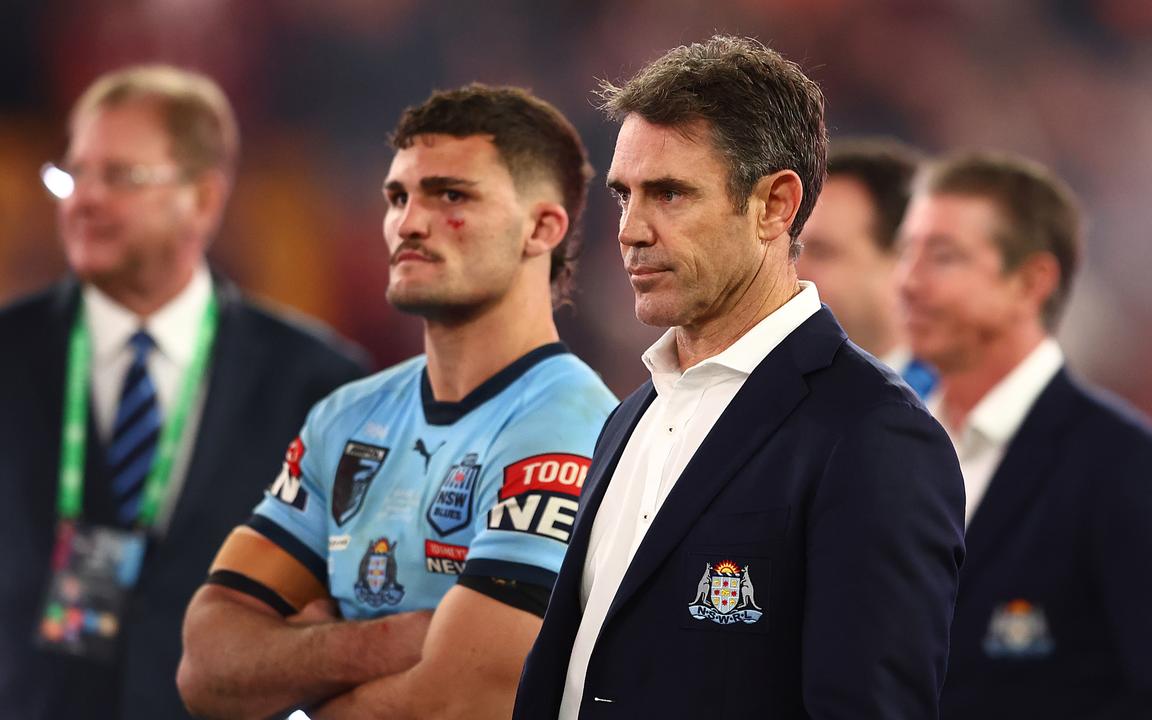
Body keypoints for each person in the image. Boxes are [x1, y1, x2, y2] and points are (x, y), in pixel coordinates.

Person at [514, 36, 966, 719]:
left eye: (669, 193)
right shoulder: (626, 418)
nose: (630, 231)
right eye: (623, 195)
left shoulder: (875, 436)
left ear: (775, 207)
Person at [177, 84, 617, 719]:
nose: (409, 222)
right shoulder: (346, 417)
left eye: (451, 195)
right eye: (398, 197)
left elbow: (463, 701)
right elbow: (205, 666)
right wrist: (395, 642)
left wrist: (298, 658)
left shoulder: (570, 428)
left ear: (541, 228)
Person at [0, 65, 367, 719]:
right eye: (74, 174)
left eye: (120, 176)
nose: (83, 200)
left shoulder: (319, 385)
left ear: (203, 197)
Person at [896, 151, 1152, 718]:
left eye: (944, 257)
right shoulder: (885, 448)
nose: (908, 282)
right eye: (906, 252)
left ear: (1032, 281)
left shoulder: (1133, 476)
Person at [796, 137, 936, 394]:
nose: (791, 272)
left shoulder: (954, 411)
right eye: (790, 250)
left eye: (822, 252)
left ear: (903, 261)